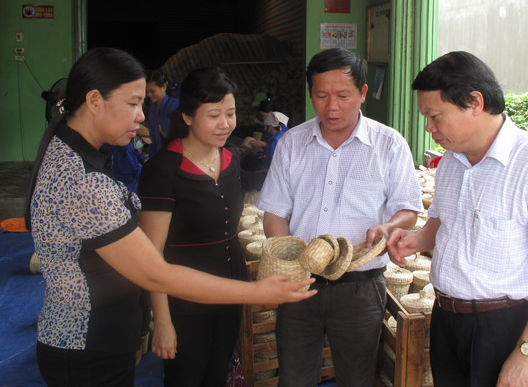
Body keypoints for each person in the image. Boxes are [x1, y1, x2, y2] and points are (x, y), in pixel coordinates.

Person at [24, 47, 316, 387]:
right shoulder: (86, 182)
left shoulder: (72, 154)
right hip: (88, 342)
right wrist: (258, 293)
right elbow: (157, 274)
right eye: (133, 103)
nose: (141, 115)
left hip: (97, 338)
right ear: (93, 100)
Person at [386, 51, 528, 387]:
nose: (429, 128)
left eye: (435, 116)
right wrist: (417, 239)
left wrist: (527, 354)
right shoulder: (450, 163)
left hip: (505, 327)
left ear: (475, 102)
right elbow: (441, 222)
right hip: (447, 319)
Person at [257, 47, 423, 387]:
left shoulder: (388, 144)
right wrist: (288, 263)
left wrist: (389, 225)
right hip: (301, 284)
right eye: (321, 95)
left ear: (362, 93)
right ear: (310, 93)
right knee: (293, 376)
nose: (331, 106)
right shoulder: (292, 143)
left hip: (360, 286)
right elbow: (275, 212)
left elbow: (408, 209)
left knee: (357, 377)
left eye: (343, 95)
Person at [136, 67, 267, 386]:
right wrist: (162, 322)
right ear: (188, 116)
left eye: (231, 114)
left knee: (216, 373)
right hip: (184, 300)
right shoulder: (163, 171)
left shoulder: (231, 159)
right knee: (186, 376)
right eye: (214, 115)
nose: (225, 124)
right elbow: (150, 257)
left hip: (230, 290)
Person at [146, 69, 179, 158]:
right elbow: (153, 139)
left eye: (152, 91)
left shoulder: (175, 106)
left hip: (176, 155)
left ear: (164, 86)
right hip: (161, 154)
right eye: (147, 92)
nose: (149, 95)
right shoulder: (152, 110)